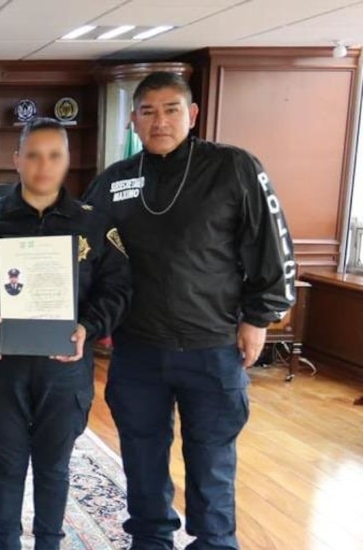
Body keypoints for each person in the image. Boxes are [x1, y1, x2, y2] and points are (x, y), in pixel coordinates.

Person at [83, 72, 296, 550]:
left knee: (211, 456)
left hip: (213, 346)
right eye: (148, 111)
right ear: (134, 121)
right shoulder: (115, 181)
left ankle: (215, 541)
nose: (160, 121)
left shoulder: (234, 168)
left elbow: (272, 247)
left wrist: (259, 318)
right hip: (137, 348)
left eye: (171, 109)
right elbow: (80, 250)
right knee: (141, 452)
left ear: (192, 114)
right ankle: (151, 538)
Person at [0, 118, 131, 550]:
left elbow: (118, 289)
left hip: (64, 368)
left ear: (67, 160)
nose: (43, 165)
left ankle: (49, 541)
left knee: (54, 466)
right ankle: (7, 542)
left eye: (53, 155)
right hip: (0, 367)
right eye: (32, 154)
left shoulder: (94, 224)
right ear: (16, 160)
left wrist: (89, 327)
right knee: (8, 464)